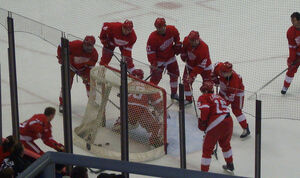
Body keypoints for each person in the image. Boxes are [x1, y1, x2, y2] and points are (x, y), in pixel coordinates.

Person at [112, 69, 164, 147]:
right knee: (155, 126)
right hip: (141, 110)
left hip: (127, 107)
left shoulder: (128, 84)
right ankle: (154, 142)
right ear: (142, 77)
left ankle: (120, 123)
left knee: (131, 118)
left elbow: (122, 96)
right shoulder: (148, 85)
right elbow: (157, 102)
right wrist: (160, 110)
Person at [197, 81, 234, 173]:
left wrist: (203, 123)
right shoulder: (219, 97)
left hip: (217, 123)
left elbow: (205, 110)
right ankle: (230, 164)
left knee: (207, 149)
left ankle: (204, 172)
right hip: (229, 120)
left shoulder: (204, 97)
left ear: (204, 91)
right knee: (225, 144)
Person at [57, 35, 99, 113]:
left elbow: (90, 68)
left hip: (83, 69)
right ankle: (63, 103)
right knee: (67, 84)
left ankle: (92, 102)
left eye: (89, 46)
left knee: (90, 84)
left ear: (93, 46)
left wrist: (86, 77)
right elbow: (60, 45)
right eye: (86, 45)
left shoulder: (94, 55)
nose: (87, 47)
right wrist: (60, 57)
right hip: (70, 67)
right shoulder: (75, 45)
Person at [212, 62, 250, 138]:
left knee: (236, 110)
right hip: (224, 90)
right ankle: (219, 124)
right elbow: (213, 74)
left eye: (224, 72)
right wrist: (215, 80)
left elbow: (230, 98)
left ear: (230, 72)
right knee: (219, 106)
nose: (222, 74)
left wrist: (224, 104)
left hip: (237, 93)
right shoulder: (219, 67)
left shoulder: (234, 81)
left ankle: (245, 128)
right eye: (221, 72)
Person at [146, 17, 182, 101]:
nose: (159, 29)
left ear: (165, 25)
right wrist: (153, 63)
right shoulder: (152, 37)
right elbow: (150, 52)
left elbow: (177, 37)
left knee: (175, 75)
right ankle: (149, 95)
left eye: (161, 27)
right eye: (157, 28)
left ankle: (174, 93)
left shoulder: (172, 29)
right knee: (156, 78)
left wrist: (177, 44)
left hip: (170, 57)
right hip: (159, 61)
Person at [181, 30, 212, 105]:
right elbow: (183, 50)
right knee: (186, 82)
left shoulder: (204, 48)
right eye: (190, 40)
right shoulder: (186, 41)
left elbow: (201, 66)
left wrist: (192, 75)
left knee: (208, 86)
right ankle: (188, 99)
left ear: (197, 40)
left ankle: (209, 103)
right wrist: (183, 55)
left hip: (205, 68)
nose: (190, 42)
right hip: (190, 65)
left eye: (192, 40)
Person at [281, 12, 300, 94]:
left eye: (294, 20)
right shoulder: (290, 32)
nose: (292, 22)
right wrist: (292, 60)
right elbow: (292, 47)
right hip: (297, 54)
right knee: (291, 69)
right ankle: (285, 87)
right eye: (291, 20)